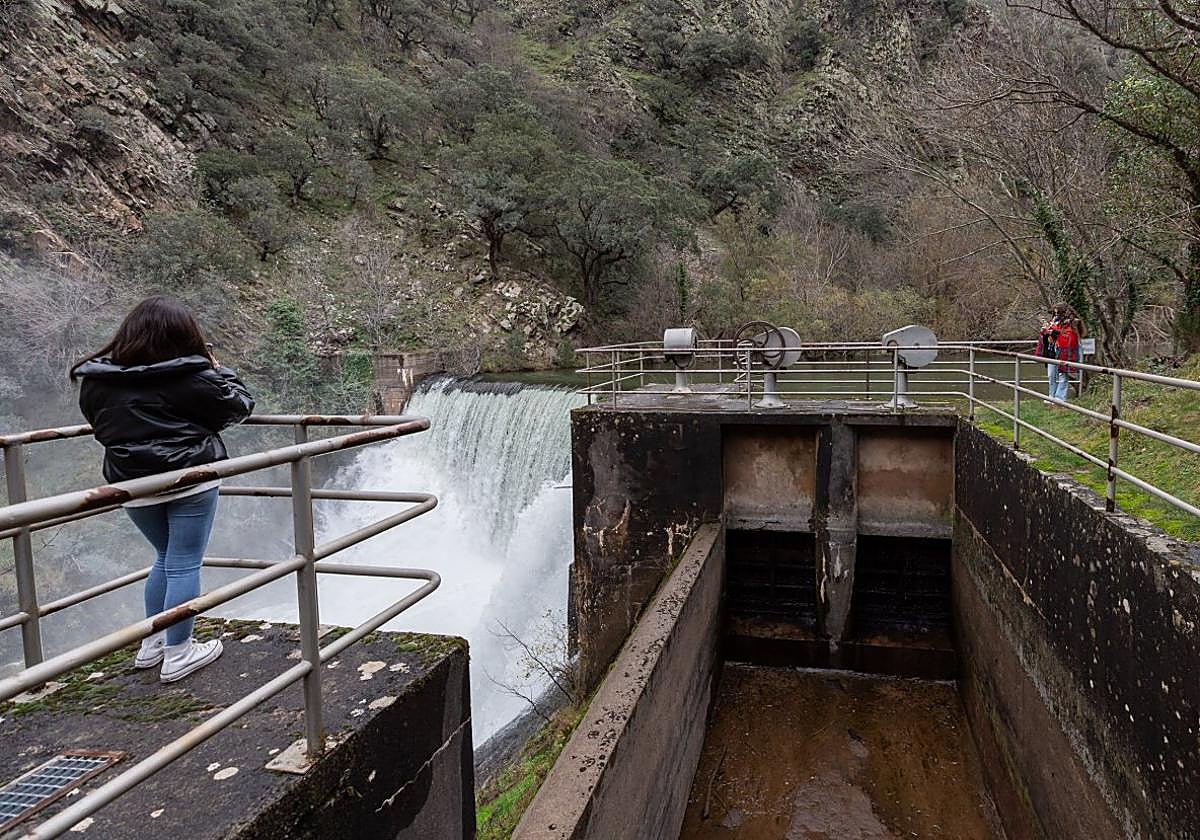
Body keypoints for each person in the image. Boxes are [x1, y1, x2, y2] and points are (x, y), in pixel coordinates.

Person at [71, 297, 254, 682]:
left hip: (132, 485)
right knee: (184, 561)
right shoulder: (190, 377)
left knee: (165, 557)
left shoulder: (98, 380)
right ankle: (179, 652)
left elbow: (100, 424)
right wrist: (222, 370)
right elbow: (238, 406)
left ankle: (152, 644)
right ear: (184, 335)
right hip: (188, 480)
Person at [1049, 303, 1080, 403]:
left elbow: (1067, 334)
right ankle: (1053, 396)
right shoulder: (1056, 321)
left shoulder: (1072, 322)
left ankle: (1060, 398)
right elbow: (1055, 336)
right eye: (1055, 312)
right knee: (1052, 374)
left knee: (1063, 374)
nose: (1056, 314)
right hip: (1056, 349)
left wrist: (1054, 331)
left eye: (1058, 312)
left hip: (1066, 350)